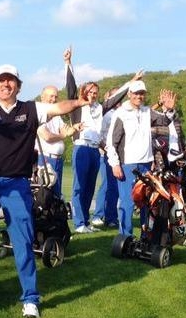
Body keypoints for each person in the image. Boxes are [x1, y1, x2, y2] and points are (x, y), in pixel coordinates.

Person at [0, 64, 90, 318]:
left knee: (23, 242)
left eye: (10, 80)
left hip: (17, 184)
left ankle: (30, 298)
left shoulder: (31, 109)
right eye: (1, 80)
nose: (6, 84)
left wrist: (78, 102)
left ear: (18, 86)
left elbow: (58, 107)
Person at [64, 47, 140, 233]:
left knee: (90, 187)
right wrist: (68, 64)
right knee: (79, 187)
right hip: (81, 148)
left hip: (94, 150)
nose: (93, 94)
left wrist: (131, 82)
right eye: (90, 92)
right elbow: (71, 88)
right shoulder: (77, 105)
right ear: (84, 92)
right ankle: (79, 223)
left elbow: (115, 98)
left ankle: (86, 222)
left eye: (95, 92)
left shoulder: (100, 108)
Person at [106, 80, 168, 237]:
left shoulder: (147, 111)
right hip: (128, 164)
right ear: (129, 94)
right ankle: (125, 237)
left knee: (146, 202)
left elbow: (165, 121)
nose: (139, 96)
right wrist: (114, 164)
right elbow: (111, 142)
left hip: (146, 164)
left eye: (142, 93)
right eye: (136, 93)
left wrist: (170, 108)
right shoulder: (120, 113)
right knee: (127, 202)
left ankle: (145, 236)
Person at [90, 86, 128, 229]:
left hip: (121, 154)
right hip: (108, 154)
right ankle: (99, 215)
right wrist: (107, 148)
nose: (119, 100)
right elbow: (100, 135)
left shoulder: (123, 113)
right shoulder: (107, 115)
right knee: (107, 185)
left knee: (115, 187)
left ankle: (111, 216)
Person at [34, 85, 82, 198]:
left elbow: (66, 130)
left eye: (56, 97)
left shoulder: (56, 116)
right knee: (44, 193)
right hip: (44, 158)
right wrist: (63, 135)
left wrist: (74, 128)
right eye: (51, 96)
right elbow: (47, 137)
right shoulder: (37, 113)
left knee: (56, 194)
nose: (54, 99)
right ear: (42, 97)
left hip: (58, 160)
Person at [153, 89, 186, 201]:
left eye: (169, 100)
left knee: (180, 184)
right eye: (165, 101)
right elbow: (145, 115)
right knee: (162, 186)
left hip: (178, 157)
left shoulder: (176, 118)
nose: (167, 102)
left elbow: (182, 137)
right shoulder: (155, 119)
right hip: (162, 157)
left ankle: (181, 208)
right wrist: (159, 103)